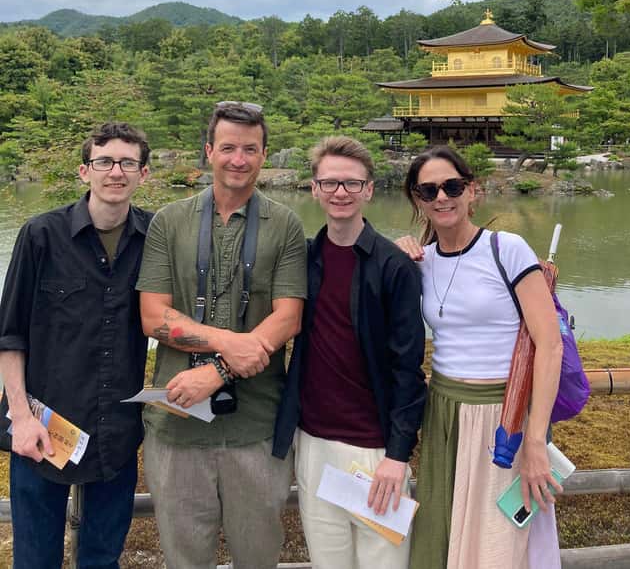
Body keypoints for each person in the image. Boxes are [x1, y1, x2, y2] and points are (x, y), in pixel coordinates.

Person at [137, 101, 307, 569]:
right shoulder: (168, 221)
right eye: (228, 147)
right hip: (176, 422)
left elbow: (287, 318)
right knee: (184, 558)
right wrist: (229, 343)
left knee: (258, 556)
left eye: (250, 149)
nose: (239, 159)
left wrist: (215, 371)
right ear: (208, 151)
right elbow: (153, 317)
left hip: (257, 426)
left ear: (264, 155)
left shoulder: (286, 224)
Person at [398, 145, 563, 569]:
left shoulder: (505, 249)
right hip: (444, 411)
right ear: (418, 200)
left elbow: (549, 344)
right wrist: (395, 256)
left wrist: (534, 440)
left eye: (452, 186)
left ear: (474, 191)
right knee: (443, 532)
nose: (441, 197)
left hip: (503, 416)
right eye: (428, 190)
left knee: (499, 543)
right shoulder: (421, 261)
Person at [0, 121, 152, 569]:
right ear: (84, 171)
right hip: (44, 428)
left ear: (144, 174)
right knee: (35, 558)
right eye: (104, 161)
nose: (115, 172)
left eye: (128, 162)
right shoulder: (41, 235)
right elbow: (10, 336)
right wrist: (21, 418)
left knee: (103, 559)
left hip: (116, 430)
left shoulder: (156, 238)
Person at [273, 135, 427, 569]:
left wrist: (398, 455)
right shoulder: (302, 259)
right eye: (331, 183)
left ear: (369, 190)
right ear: (315, 188)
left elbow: (407, 367)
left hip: (375, 451)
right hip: (314, 444)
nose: (341, 192)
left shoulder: (393, 266)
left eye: (352, 184)